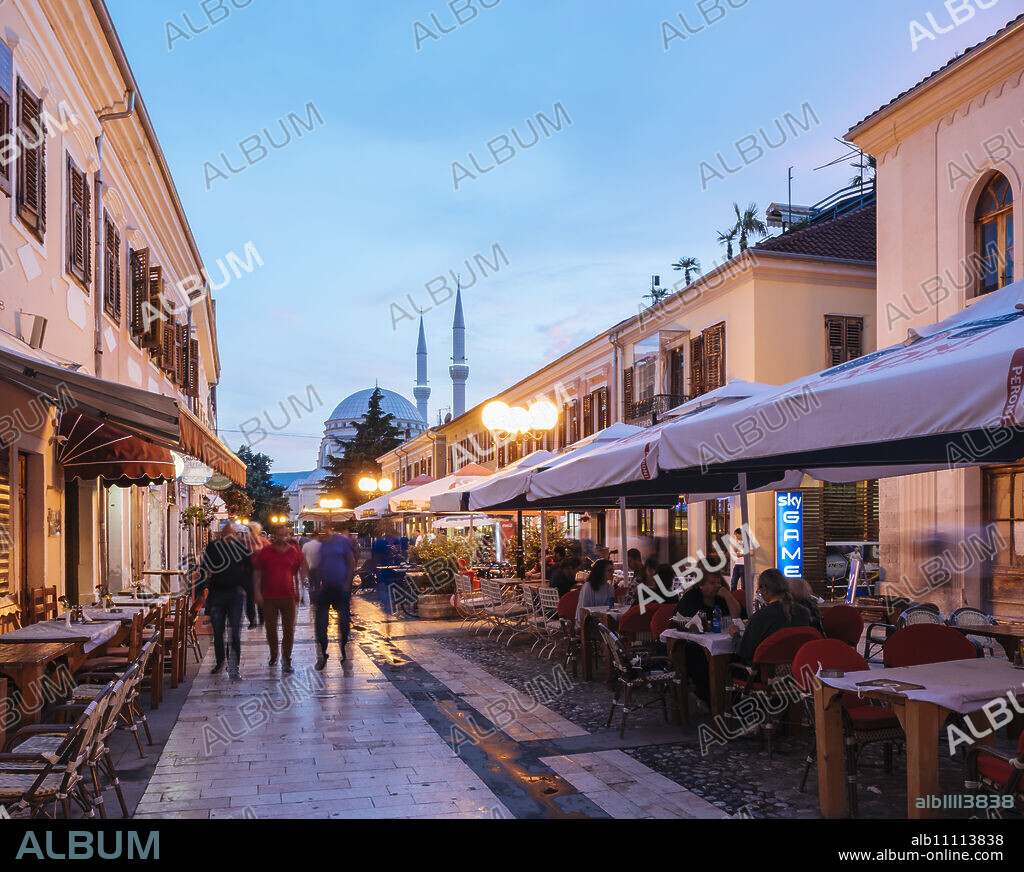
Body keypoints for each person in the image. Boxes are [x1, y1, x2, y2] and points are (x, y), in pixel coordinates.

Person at [253, 523, 307, 674]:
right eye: (279, 534)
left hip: (289, 596)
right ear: (274, 535)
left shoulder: (293, 551)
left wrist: (302, 589)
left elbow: (301, 567)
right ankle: (274, 654)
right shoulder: (265, 551)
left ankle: (287, 659)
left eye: (284, 534)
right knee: (271, 629)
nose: (282, 537)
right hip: (269, 596)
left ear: (287, 535)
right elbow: (257, 573)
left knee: (289, 629)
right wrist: (257, 592)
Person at [200, 522, 251, 678]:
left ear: (235, 535)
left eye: (232, 533)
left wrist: (244, 587)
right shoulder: (213, 547)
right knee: (218, 632)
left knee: (235, 631)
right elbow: (204, 568)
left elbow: (249, 568)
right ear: (222, 534)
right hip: (217, 594)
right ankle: (220, 661)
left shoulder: (240, 548)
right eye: (226, 533)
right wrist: (201, 592)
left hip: (235, 595)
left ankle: (234, 666)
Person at [729, 568, 811, 663]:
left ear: (764, 589)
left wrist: (735, 634)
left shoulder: (760, 617)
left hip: (764, 673)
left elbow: (743, 651)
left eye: (759, 590)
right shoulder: (804, 612)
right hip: (796, 670)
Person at [315, 522, 356, 669]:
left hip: (341, 589)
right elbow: (320, 564)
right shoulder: (323, 544)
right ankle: (323, 652)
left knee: (344, 622)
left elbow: (351, 562)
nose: (323, 530)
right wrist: (318, 583)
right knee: (320, 623)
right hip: (326, 588)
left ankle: (343, 649)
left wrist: (347, 583)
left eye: (325, 527)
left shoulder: (343, 542)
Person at [575, 558, 614, 625]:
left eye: (612, 570)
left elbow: (610, 607)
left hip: (602, 620)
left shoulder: (610, 588)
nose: (612, 573)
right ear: (601, 571)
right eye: (610, 570)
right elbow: (584, 610)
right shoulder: (588, 587)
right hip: (586, 622)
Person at [302, 532, 323, 608]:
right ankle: (317, 601)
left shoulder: (306, 545)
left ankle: (312, 601)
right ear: (317, 536)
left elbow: (302, 557)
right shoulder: (320, 545)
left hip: (309, 567)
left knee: (311, 585)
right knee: (317, 585)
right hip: (318, 567)